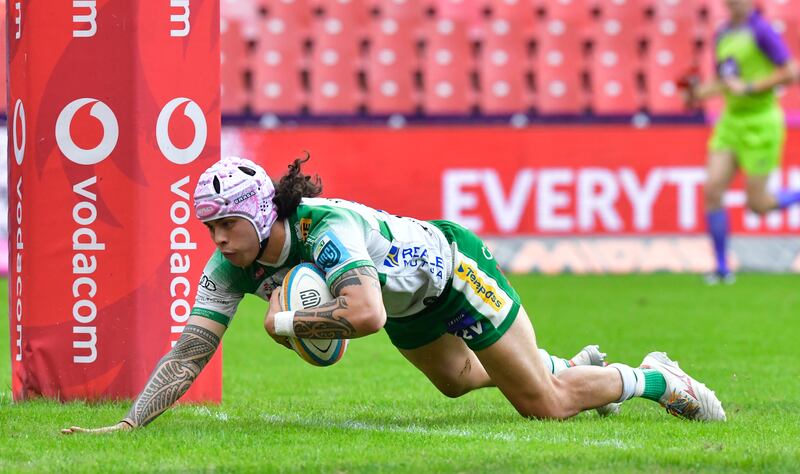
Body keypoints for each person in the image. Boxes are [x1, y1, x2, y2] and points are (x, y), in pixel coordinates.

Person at [62, 155, 725, 434]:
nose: (219, 239)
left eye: (227, 224)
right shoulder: (231, 263)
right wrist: (128, 424)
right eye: (209, 227)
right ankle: (575, 369)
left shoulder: (328, 229)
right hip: (414, 303)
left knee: (542, 408)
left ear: (262, 212)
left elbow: (367, 314)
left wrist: (289, 321)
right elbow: (190, 351)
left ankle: (656, 381)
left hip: (452, 274)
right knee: (461, 381)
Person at [686, 0, 800, 284]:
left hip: (761, 122)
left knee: (758, 204)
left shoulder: (762, 31)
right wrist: (698, 94)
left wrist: (750, 87)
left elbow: (791, 72)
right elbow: (725, 80)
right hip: (730, 121)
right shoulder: (722, 33)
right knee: (713, 190)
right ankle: (722, 267)